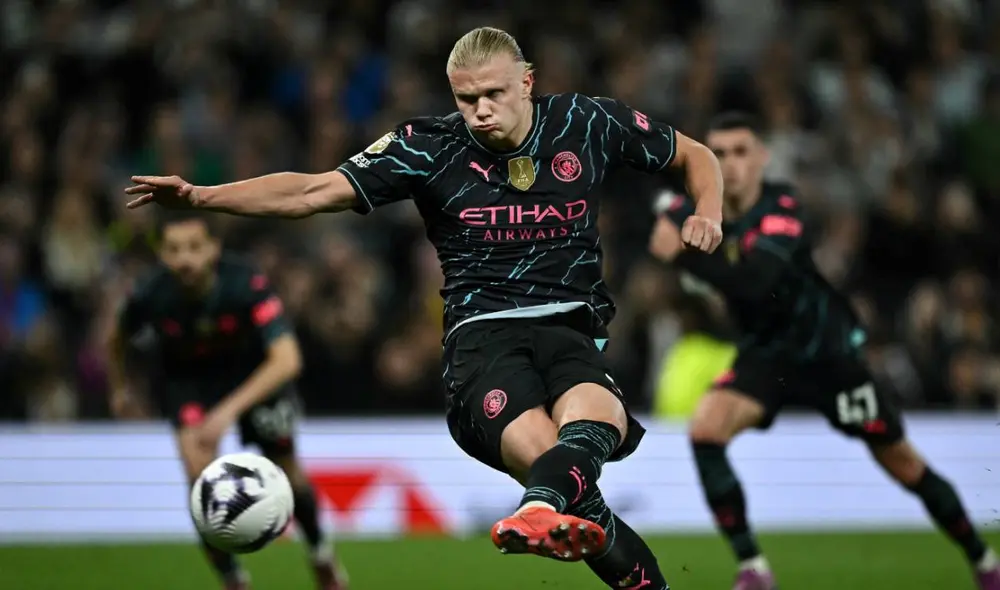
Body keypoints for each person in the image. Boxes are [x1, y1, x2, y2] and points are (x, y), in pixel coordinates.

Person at [123, 26, 725, 590]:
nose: (480, 110)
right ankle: (543, 504)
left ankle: (542, 509)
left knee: (591, 447)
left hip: (572, 331)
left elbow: (697, 156)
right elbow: (312, 190)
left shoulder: (586, 122)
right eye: (466, 99)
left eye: (493, 93)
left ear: (527, 82)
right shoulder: (427, 146)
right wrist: (202, 195)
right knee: (557, 461)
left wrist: (708, 213)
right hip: (484, 345)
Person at [648, 111, 1000, 590]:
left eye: (741, 151)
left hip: (827, 356)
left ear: (762, 158)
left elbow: (756, 284)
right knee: (706, 428)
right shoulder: (703, 212)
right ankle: (753, 568)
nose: (730, 164)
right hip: (767, 355)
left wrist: (685, 250)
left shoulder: (782, 207)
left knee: (902, 463)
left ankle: (983, 560)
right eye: (720, 153)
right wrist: (667, 232)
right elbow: (664, 236)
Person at [107, 213, 348, 590]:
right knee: (197, 478)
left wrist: (226, 412)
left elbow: (287, 360)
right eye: (173, 250)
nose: (184, 259)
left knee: (288, 470)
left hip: (254, 376)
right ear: (161, 254)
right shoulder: (150, 292)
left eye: (193, 248)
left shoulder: (245, 283)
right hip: (189, 381)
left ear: (213, 249)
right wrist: (120, 386)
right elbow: (117, 336)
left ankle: (321, 556)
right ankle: (233, 580)